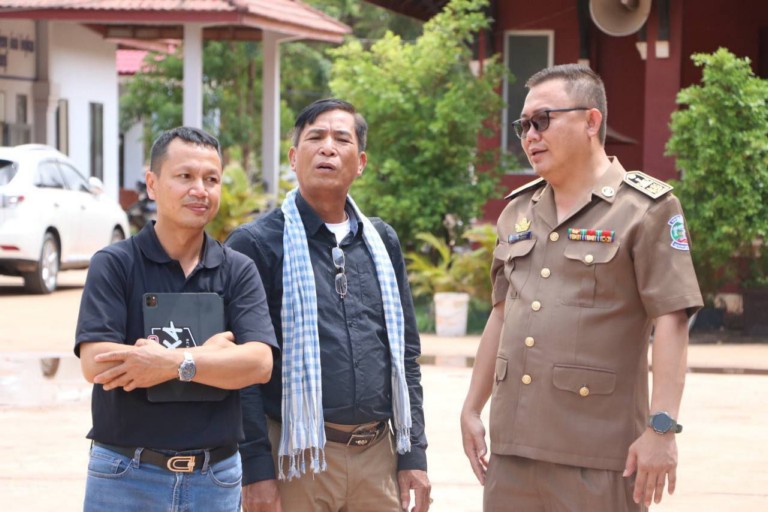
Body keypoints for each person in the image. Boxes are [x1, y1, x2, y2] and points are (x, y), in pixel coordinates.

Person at [460, 64, 703, 511]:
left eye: (542, 120)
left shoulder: (646, 209)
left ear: (591, 122)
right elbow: (502, 312)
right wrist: (473, 407)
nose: (530, 136)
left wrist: (662, 429)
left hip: (599, 457)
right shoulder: (517, 212)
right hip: (511, 455)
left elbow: (672, 318)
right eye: (523, 126)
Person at [225, 98, 431, 512]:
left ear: (361, 162)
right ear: (293, 157)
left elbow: (405, 354)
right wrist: (256, 469)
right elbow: (242, 371)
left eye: (342, 139)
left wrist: (414, 454)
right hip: (295, 456)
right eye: (315, 137)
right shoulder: (256, 244)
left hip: (377, 455)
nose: (328, 148)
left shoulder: (381, 241)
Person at [74, 126, 278, 511]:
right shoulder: (115, 264)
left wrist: (171, 362)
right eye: (185, 176)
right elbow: (96, 363)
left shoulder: (238, 270)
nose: (200, 189)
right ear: (152, 184)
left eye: (211, 179)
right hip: (125, 475)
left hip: (215, 480)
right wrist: (212, 357)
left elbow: (259, 363)